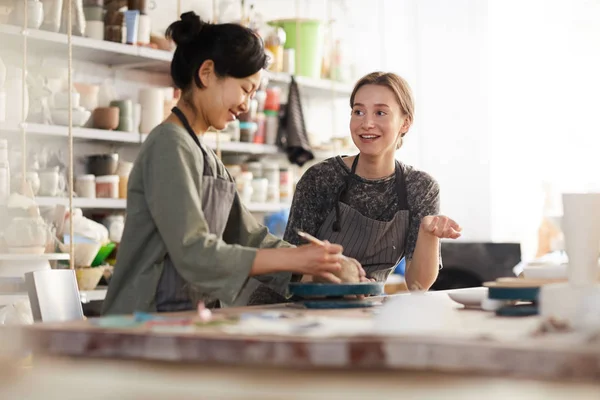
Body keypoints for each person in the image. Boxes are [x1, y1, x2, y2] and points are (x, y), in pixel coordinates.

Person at [102, 12, 360, 315]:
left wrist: (321, 265)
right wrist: (297, 261)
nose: (246, 105)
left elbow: (249, 237)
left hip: (183, 316)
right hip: (139, 321)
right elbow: (193, 251)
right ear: (207, 73)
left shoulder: (206, 156)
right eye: (245, 89)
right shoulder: (169, 145)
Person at [284, 72, 462, 290]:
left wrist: (428, 235)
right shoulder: (320, 178)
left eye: (380, 113)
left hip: (363, 310)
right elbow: (288, 268)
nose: (366, 123)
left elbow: (418, 284)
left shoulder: (420, 188)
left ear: (405, 123)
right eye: (358, 112)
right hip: (296, 309)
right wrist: (342, 280)